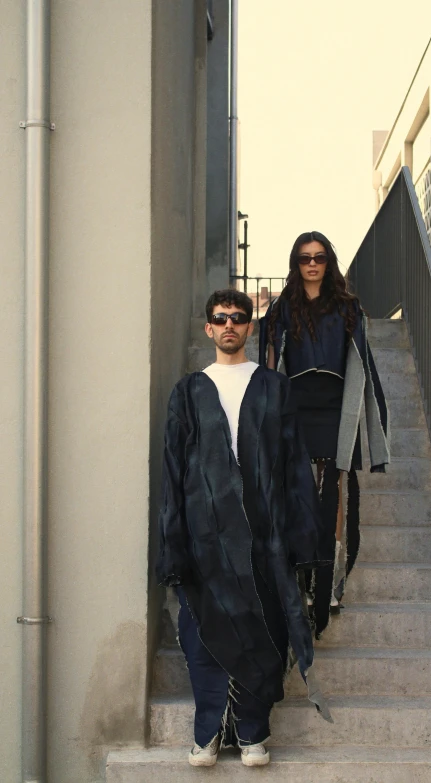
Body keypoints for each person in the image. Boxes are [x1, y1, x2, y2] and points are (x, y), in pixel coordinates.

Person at [156, 289, 331, 769]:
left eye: (238, 317)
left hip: (264, 533)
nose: (229, 324)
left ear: (250, 327)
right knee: (204, 633)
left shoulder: (275, 387)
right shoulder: (189, 390)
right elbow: (173, 472)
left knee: (266, 630)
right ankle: (208, 733)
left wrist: (304, 537)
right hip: (204, 534)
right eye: (220, 318)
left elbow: (295, 465)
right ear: (208, 328)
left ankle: (252, 733)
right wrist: (171, 547)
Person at [259, 231, 390, 639]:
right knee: (298, 491)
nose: (312, 264)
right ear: (296, 264)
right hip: (296, 406)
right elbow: (268, 359)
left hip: (335, 408)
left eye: (318, 257)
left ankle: (329, 582)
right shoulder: (283, 308)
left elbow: (362, 363)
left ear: (329, 261)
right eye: (304, 258)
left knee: (333, 493)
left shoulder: (349, 308)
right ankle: (301, 577)